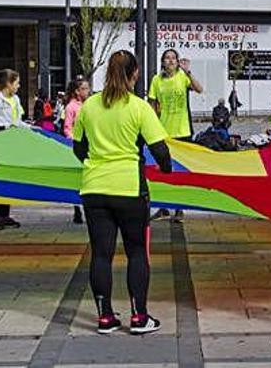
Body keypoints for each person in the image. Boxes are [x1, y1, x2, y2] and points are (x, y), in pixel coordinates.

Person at [72, 50, 172, 335]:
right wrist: (166, 171)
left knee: (101, 254)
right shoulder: (139, 107)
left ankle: (105, 318)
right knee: (137, 252)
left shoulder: (89, 106)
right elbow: (160, 149)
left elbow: (78, 148)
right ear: (135, 73)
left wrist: (96, 163)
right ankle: (139, 317)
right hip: (129, 188)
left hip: (94, 188)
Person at [148, 49, 203, 221]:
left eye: (173, 58)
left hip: (183, 131)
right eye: (167, 58)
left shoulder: (182, 76)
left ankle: (179, 207)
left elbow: (199, 89)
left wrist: (188, 71)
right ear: (162, 62)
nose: (171, 61)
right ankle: (164, 207)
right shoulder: (156, 80)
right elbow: (152, 104)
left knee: (180, 171)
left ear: (178, 61)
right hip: (164, 132)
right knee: (164, 170)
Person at [0, 69, 27, 229]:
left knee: (10, 177)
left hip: (13, 145)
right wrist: (9, 127)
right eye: (16, 83)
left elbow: (18, 120)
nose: (18, 86)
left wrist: (28, 128)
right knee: (1, 178)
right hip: (0, 146)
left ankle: (4, 213)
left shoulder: (15, 99)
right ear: (8, 84)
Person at [64, 78, 91, 225]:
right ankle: (77, 209)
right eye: (85, 89)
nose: (88, 91)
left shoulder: (89, 105)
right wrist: (73, 141)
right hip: (78, 145)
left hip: (90, 144)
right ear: (77, 91)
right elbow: (67, 127)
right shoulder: (71, 107)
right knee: (77, 178)